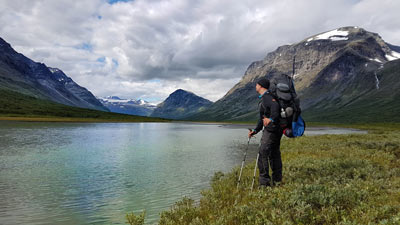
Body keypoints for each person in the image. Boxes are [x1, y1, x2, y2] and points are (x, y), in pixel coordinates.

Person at [248, 77, 283, 187]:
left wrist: (271, 119)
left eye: (257, 84)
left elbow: (275, 107)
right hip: (277, 130)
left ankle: (264, 184)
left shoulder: (267, 97)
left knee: (262, 153)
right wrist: (255, 130)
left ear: (261, 86)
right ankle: (277, 181)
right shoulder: (266, 98)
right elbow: (261, 119)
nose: (255, 86)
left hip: (272, 130)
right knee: (274, 154)